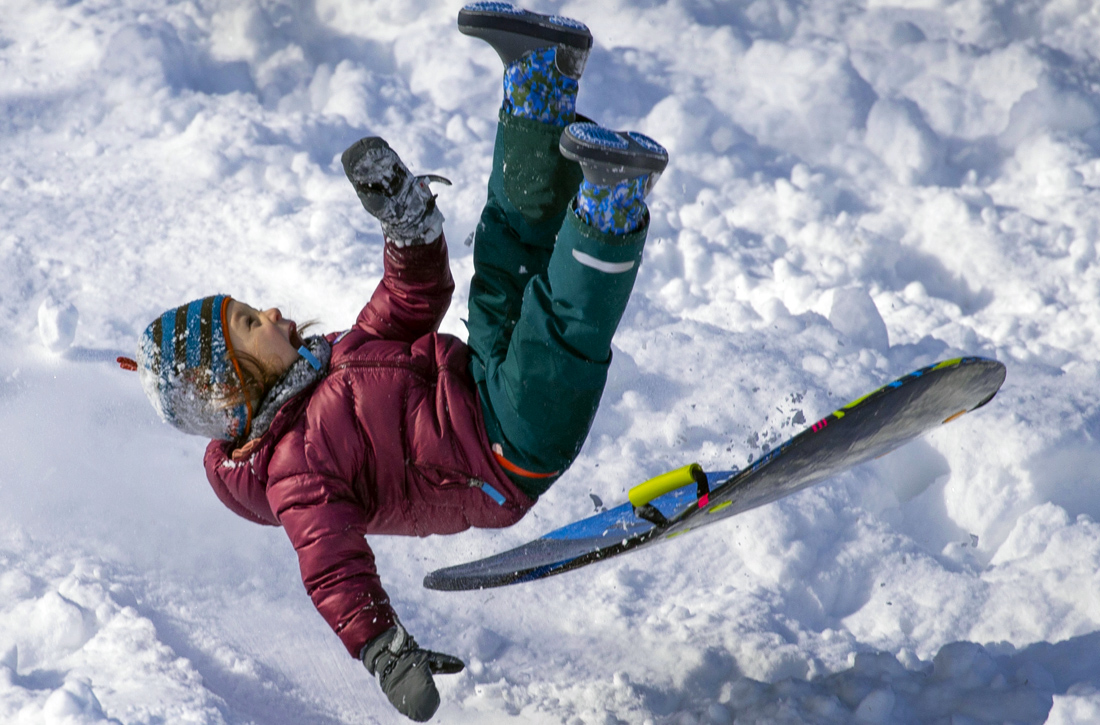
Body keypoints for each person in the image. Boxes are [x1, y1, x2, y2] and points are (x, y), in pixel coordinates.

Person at [121, 3, 668, 721]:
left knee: (505, 255)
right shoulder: (295, 472)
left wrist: (407, 224)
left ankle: (540, 83)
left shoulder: (329, 360)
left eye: (255, 306)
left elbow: (415, 300)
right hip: (507, 449)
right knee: (558, 328)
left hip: (478, 376)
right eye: (252, 323)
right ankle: (612, 201)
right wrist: (387, 650)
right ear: (232, 393)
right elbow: (333, 569)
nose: (276, 313)